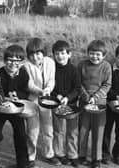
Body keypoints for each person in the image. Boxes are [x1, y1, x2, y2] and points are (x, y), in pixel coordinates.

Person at [24, 37, 61, 167]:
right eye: (32, 54)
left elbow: (52, 80)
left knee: (48, 129)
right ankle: (30, 157)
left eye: (38, 53)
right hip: (32, 101)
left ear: (43, 52)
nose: (35, 57)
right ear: (28, 55)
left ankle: (49, 154)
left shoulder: (50, 62)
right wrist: (40, 91)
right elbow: (28, 84)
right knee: (32, 131)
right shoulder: (26, 66)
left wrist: (48, 89)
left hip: (47, 100)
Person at [0, 44, 29, 168]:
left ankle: (23, 163)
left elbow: (25, 92)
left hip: (16, 109)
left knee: (21, 136)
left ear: (22, 62)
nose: (13, 63)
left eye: (17, 60)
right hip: (0, 108)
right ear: (4, 61)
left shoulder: (24, 74)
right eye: (10, 60)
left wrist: (18, 96)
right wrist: (6, 98)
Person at [78, 40, 112, 168]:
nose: (94, 57)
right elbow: (78, 83)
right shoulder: (82, 65)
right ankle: (81, 154)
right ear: (88, 53)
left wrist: (96, 97)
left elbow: (107, 85)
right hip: (84, 102)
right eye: (92, 53)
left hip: (100, 104)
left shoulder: (106, 66)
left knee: (99, 130)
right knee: (83, 129)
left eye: (98, 54)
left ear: (103, 55)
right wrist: (86, 96)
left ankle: (96, 158)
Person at [51, 40, 81, 168]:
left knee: (72, 131)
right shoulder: (51, 69)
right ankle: (60, 153)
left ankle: (72, 154)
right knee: (58, 130)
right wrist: (56, 96)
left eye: (63, 53)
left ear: (69, 54)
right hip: (56, 104)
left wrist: (68, 98)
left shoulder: (74, 70)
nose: (60, 56)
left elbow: (77, 88)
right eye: (57, 53)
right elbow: (49, 87)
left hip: (72, 105)